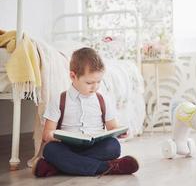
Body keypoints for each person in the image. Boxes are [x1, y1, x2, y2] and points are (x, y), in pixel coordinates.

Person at [32, 47, 139, 177]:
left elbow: (113, 127)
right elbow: (46, 134)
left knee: (113, 146)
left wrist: (121, 132)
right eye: (89, 82)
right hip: (67, 147)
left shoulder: (103, 99)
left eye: (99, 81)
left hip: (95, 147)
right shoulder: (59, 99)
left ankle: (57, 167)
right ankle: (109, 167)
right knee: (50, 150)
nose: (95, 87)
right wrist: (55, 135)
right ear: (73, 76)